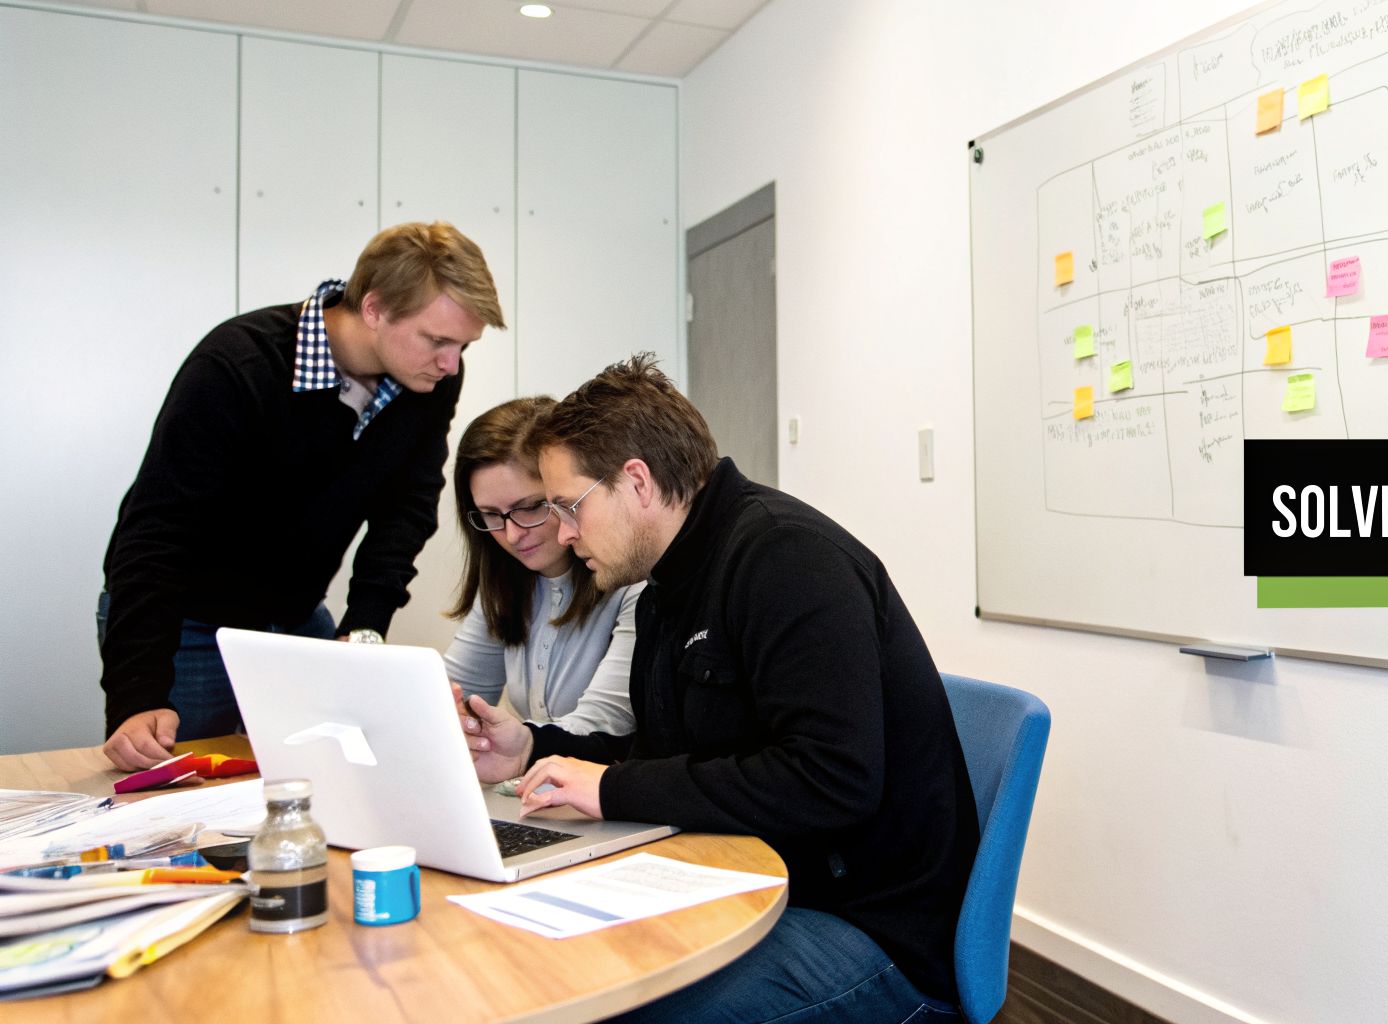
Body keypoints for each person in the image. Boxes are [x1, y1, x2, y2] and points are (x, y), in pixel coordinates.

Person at [458, 354, 979, 1023]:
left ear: (637, 482)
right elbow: (666, 751)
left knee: (616, 1010)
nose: (560, 532)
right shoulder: (668, 583)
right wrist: (531, 747)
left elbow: (831, 779)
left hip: (869, 928)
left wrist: (610, 789)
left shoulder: (788, 560)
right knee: (548, 970)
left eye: (568, 506)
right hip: (760, 879)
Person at [98, 221, 506, 771]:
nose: (452, 364)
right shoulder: (237, 366)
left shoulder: (427, 381)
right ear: (375, 308)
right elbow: (155, 532)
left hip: (292, 618)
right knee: (182, 797)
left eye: (463, 345)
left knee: (330, 783)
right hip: (187, 622)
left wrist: (365, 625)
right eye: (437, 340)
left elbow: (406, 508)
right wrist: (138, 693)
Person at [442, 396, 640, 737]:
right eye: (492, 515)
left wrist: (517, 744)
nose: (513, 534)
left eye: (531, 507)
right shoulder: (505, 583)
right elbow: (449, 700)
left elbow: (605, 725)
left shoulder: (631, 577)